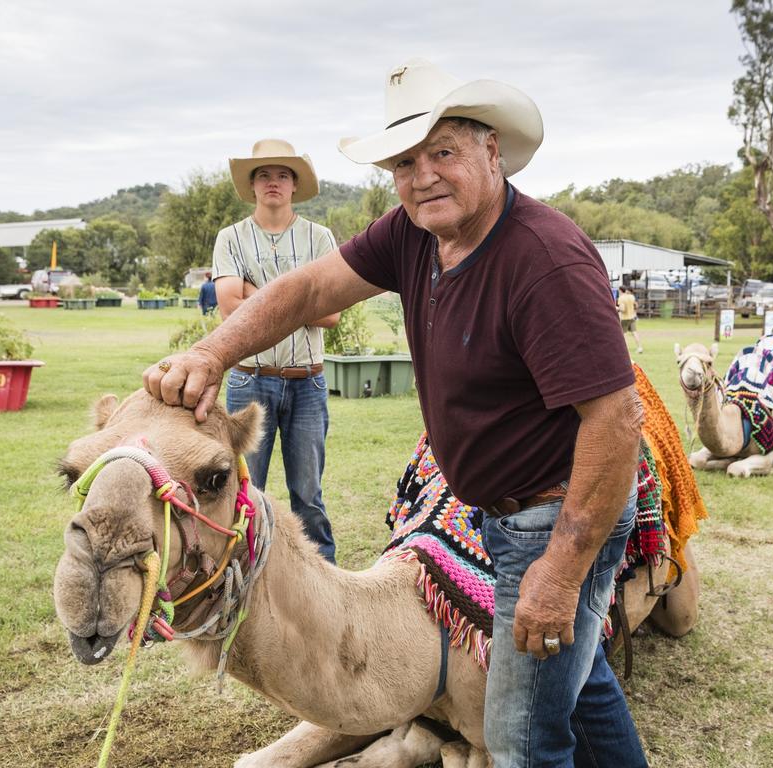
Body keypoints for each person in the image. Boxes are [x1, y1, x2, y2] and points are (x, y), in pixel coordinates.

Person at [145, 59, 648, 767]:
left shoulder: (545, 260)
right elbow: (308, 287)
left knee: (521, 739)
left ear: (491, 151)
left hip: (555, 512)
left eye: (443, 152)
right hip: (501, 511)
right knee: (579, 680)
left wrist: (561, 571)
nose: (423, 176)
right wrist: (213, 353)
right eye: (405, 161)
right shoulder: (414, 232)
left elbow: (615, 420)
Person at [212, 138, 342, 563]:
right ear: (252, 186)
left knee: (308, 495)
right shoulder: (230, 238)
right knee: (247, 490)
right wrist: (301, 300)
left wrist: (259, 295)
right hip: (251, 380)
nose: (273, 182)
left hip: (307, 381)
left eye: (282, 175)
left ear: (293, 185)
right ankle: (243, 578)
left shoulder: (318, 237)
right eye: (263, 174)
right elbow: (230, 307)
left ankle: (323, 580)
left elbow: (331, 314)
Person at [616, 285, 643, 353]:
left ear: (620, 290)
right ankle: (640, 347)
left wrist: (617, 308)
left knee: (624, 334)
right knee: (634, 332)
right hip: (632, 317)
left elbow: (623, 309)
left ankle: (625, 349)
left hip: (624, 318)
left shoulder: (621, 298)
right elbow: (636, 305)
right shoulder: (631, 296)